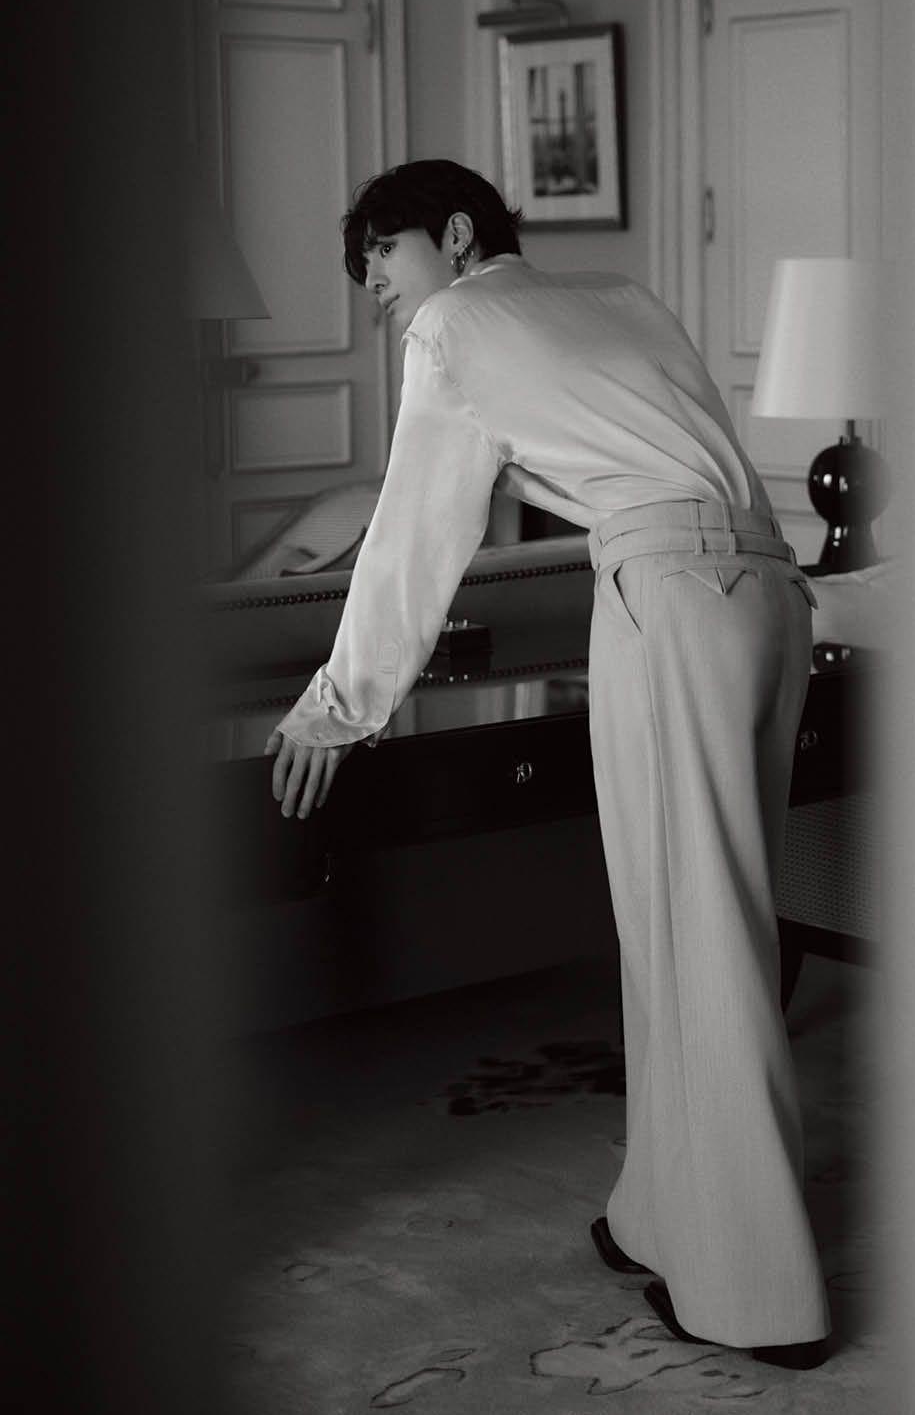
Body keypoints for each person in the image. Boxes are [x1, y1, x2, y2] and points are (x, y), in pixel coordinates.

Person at [267, 159, 830, 1369]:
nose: (381, 293)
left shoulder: (454, 326)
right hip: (773, 593)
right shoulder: (622, 297)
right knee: (696, 921)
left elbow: (414, 536)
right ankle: (659, 1213)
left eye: (386, 260)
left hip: (670, 592)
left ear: (454, 235)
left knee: (694, 937)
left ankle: (757, 1296)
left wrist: (337, 707)